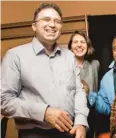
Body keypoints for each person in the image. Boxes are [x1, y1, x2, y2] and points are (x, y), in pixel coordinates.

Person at [1, 3, 89, 138]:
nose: (52, 25)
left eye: (57, 21)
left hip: (70, 132)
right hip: (34, 134)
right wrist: (44, 112)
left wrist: (81, 121)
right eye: (46, 19)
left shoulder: (70, 56)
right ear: (34, 26)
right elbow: (5, 101)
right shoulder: (15, 56)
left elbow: (78, 91)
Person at [68, 31, 100, 138]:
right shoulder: (64, 65)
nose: (79, 45)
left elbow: (97, 90)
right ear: (71, 47)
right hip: (70, 117)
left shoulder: (95, 65)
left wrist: (88, 93)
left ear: (87, 46)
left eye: (82, 42)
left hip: (91, 116)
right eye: (75, 42)